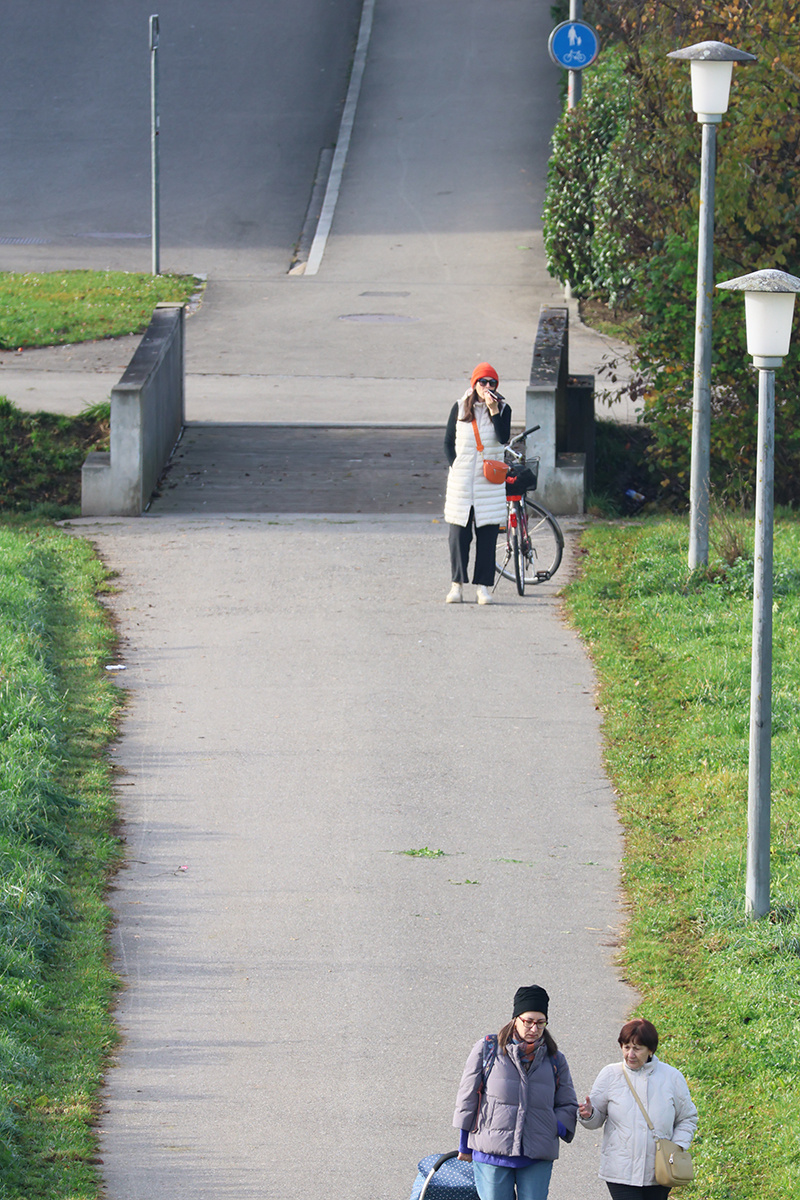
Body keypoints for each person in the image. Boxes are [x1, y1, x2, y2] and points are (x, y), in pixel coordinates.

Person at [453, 985, 578, 1200]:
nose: (534, 1028)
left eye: (540, 1022)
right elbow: (468, 1097)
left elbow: (567, 1103)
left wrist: (554, 1126)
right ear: (515, 1019)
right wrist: (464, 1145)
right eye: (528, 1021)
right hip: (490, 1152)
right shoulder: (487, 1049)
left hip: (536, 1155)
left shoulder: (555, 1058)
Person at [577, 1018, 698, 1200]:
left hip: (660, 1171)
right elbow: (597, 1118)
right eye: (626, 1047)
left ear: (651, 1050)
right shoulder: (610, 1075)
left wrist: (677, 1147)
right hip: (620, 1172)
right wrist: (589, 1114)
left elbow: (687, 1118)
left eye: (637, 1048)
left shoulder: (672, 1077)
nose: (630, 1054)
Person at [444, 362, 511, 605]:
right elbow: (447, 441)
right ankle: (456, 585)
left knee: (488, 536)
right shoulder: (460, 407)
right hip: (462, 483)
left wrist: (494, 411)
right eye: (482, 382)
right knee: (458, 536)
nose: (487, 386)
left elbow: (504, 438)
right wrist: (455, 465)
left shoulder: (503, 409)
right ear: (474, 384)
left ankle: (483, 587)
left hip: (489, 483)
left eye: (492, 383)